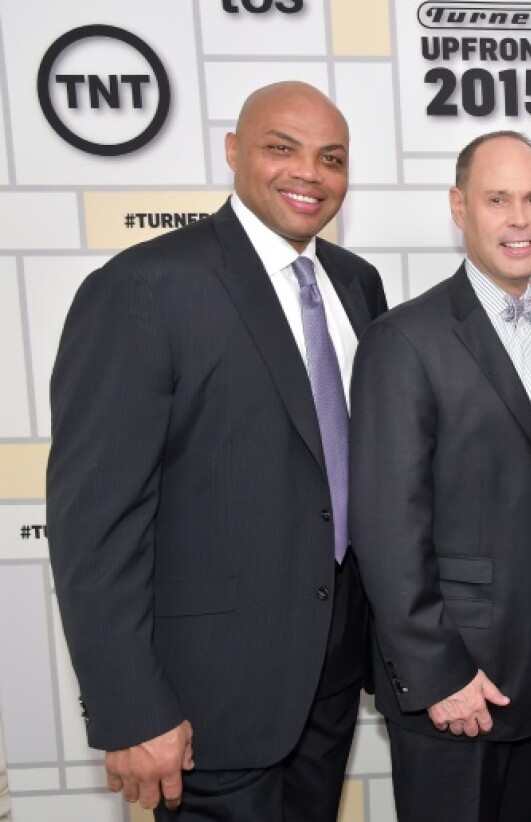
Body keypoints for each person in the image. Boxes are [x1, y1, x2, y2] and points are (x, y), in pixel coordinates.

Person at [46, 81, 387, 820]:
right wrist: (130, 706)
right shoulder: (143, 287)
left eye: (332, 158)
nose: (310, 173)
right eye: (281, 148)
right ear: (233, 153)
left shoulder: (359, 285)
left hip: (329, 680)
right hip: (206, 702)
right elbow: (94, 524)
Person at [349, 131, 531, 822]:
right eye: (497, 199)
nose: (519, 218)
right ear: (459, 207)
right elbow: (385, 527)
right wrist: (440, 673)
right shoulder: (405, 339)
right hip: (458, 672)